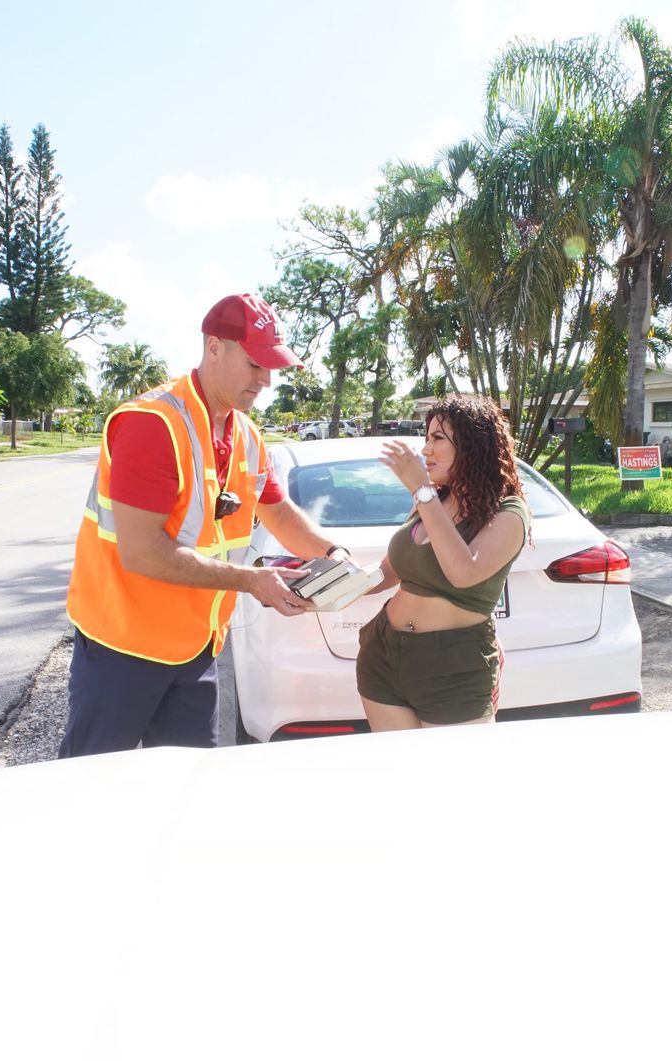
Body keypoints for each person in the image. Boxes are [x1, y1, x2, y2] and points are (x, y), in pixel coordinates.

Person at [62, 293, 348, 757]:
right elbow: (142, 552)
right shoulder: (152, 424)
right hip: (121, 650)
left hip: (196, 651)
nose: (267, 380)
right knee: (91, 790)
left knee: (187, 791)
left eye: (271, 367)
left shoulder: (247, 433)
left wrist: (332, 555)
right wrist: (251, 581)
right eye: (256, 364)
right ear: (214, 348)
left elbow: (276, 512)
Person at [356, 395, 530, 730]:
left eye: (438, 439)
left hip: (455, 665)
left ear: (471, 446)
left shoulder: (509, 512)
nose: (425, 450)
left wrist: (422, 490)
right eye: (426, 439)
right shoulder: (434, 501)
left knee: (455, 778)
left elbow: (464, 573)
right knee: (400, 775)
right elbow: (387, 572)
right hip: (384, 655)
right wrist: (326, 588)